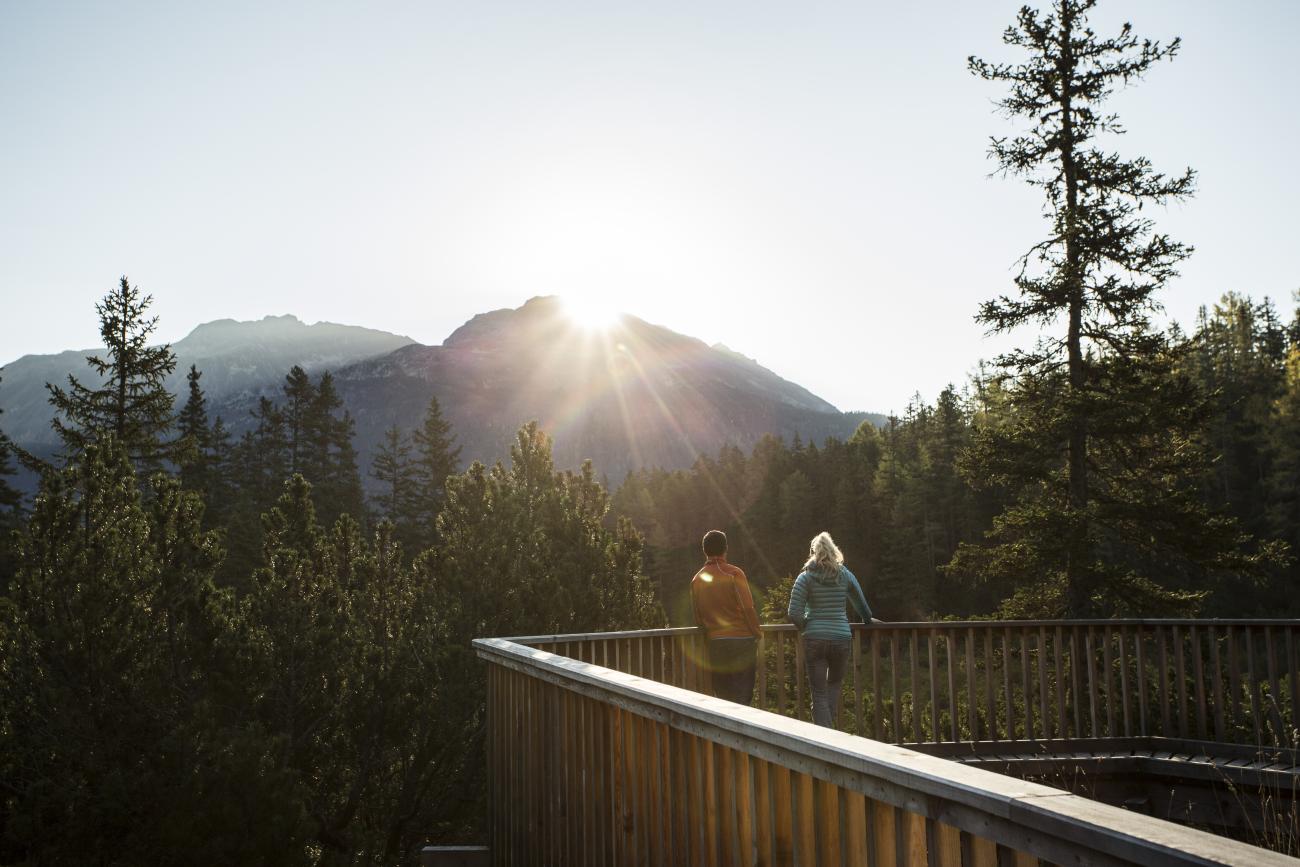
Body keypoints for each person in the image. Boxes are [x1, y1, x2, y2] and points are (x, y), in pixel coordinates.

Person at [787, 531, 873, 728]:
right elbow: (861, 606)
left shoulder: (805, 577)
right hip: (841, 638)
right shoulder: (845, 575)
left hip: (814, 639)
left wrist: (807, 625)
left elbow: (794, 613)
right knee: (833, 685)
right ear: (834, 550)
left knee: (818, 693)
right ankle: (829, 732)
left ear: (813, 552)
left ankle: (824, 738)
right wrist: (868, 620)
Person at [690, 529, 762, 706]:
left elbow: (698, 619)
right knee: (743, 696)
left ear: (704, 550)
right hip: (742, 641)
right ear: (725, 549)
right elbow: (748, 608)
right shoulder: (734, 573)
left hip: (716, 644)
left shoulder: (697, 580)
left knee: (723, 698)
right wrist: (757, 632)